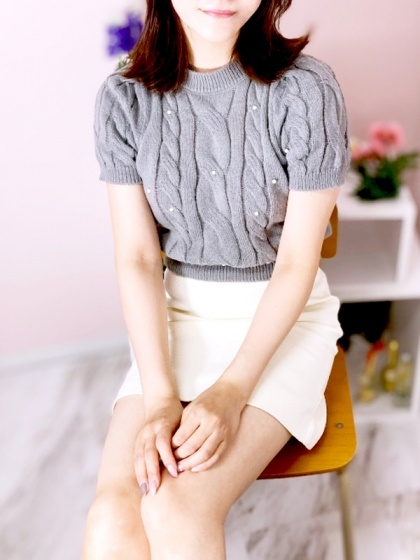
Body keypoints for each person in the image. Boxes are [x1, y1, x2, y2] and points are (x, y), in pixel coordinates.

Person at [82, 0, 349, 558]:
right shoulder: (124, 98)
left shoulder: (307, 90)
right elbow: (138, 258)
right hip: (179, 316)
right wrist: (160, 396)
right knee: (113, 516)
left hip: (283, 321)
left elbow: (297, 263)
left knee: (175, 507)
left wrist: (232, 390)